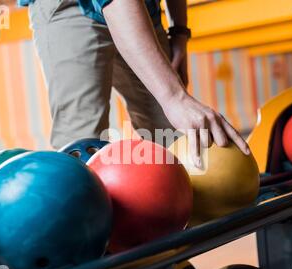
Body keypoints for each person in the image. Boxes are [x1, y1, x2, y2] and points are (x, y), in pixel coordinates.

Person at [19, 0, 250, 167]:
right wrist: (175, 97)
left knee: (171, 135)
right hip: (69, 6)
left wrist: (179, 31)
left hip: (143, 7)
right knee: (83, 146)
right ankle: (90, 230)